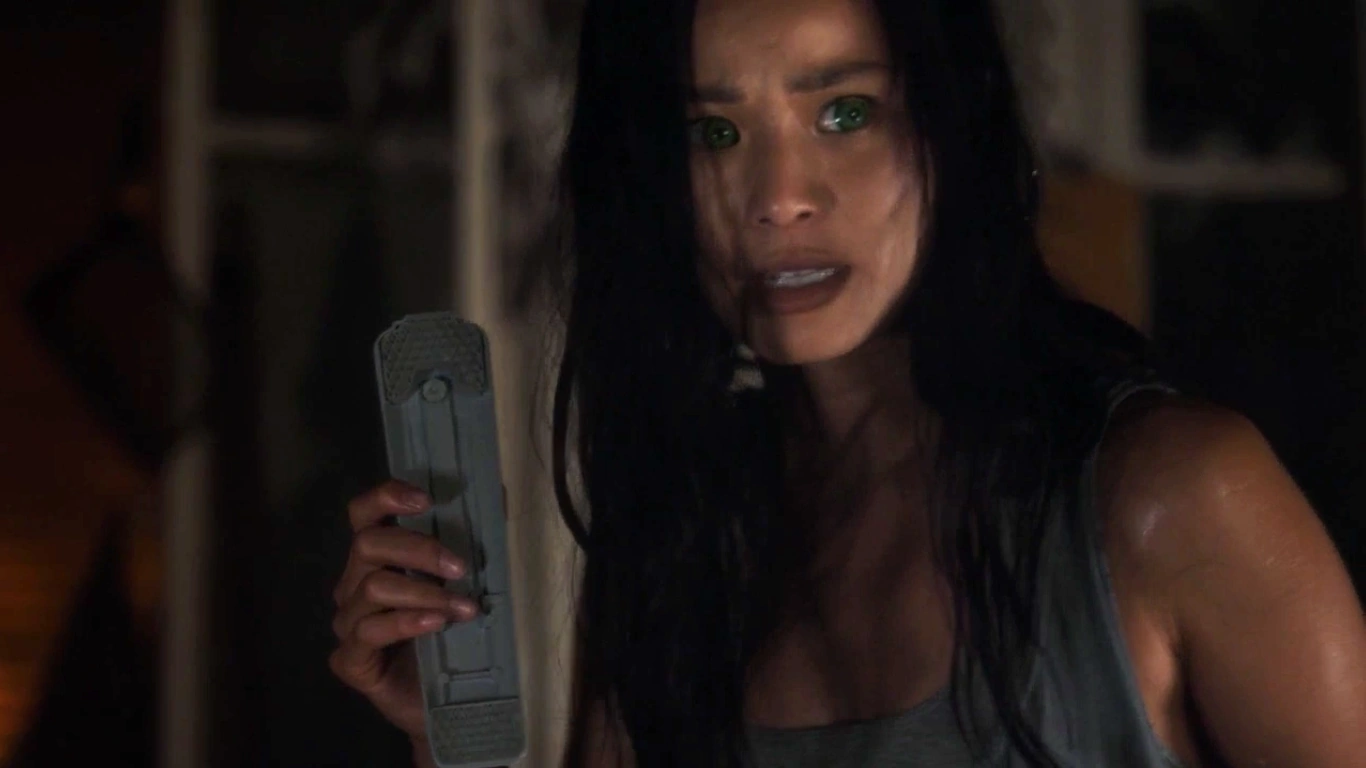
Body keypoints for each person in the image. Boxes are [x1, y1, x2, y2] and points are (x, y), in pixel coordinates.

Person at [329, 0, 1366, 765]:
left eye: (845, 112)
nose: (778, 197)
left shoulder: (1174, 497)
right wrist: (443, 734)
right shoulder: (686, 540)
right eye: (714, 132)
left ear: (951, 130)